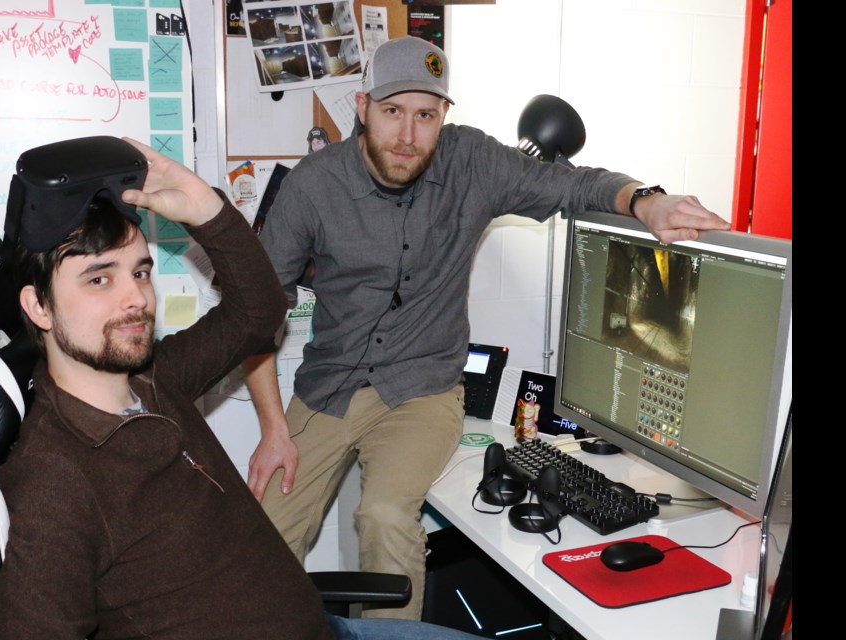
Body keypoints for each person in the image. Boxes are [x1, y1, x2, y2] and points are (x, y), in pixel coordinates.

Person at [242, 36, 731, 620]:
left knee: (386, 517)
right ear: (362, 104)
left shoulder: (471, 160)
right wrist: (273, 429)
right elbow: (256, 315)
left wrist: (645, 201)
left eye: (426, 115)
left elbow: (574, 184)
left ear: (444, 116)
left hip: (421, 392)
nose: (407, 135)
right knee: (259, 541)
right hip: (328, 390)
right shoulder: (313, 185)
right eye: (393, 111)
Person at [0, 135, 483, 640]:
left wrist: (205, 207)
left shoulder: (153, 382)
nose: (135, 299)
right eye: (99, 280)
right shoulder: (55, 482)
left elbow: (258, 312)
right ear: (38, 307)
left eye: (140, 272)